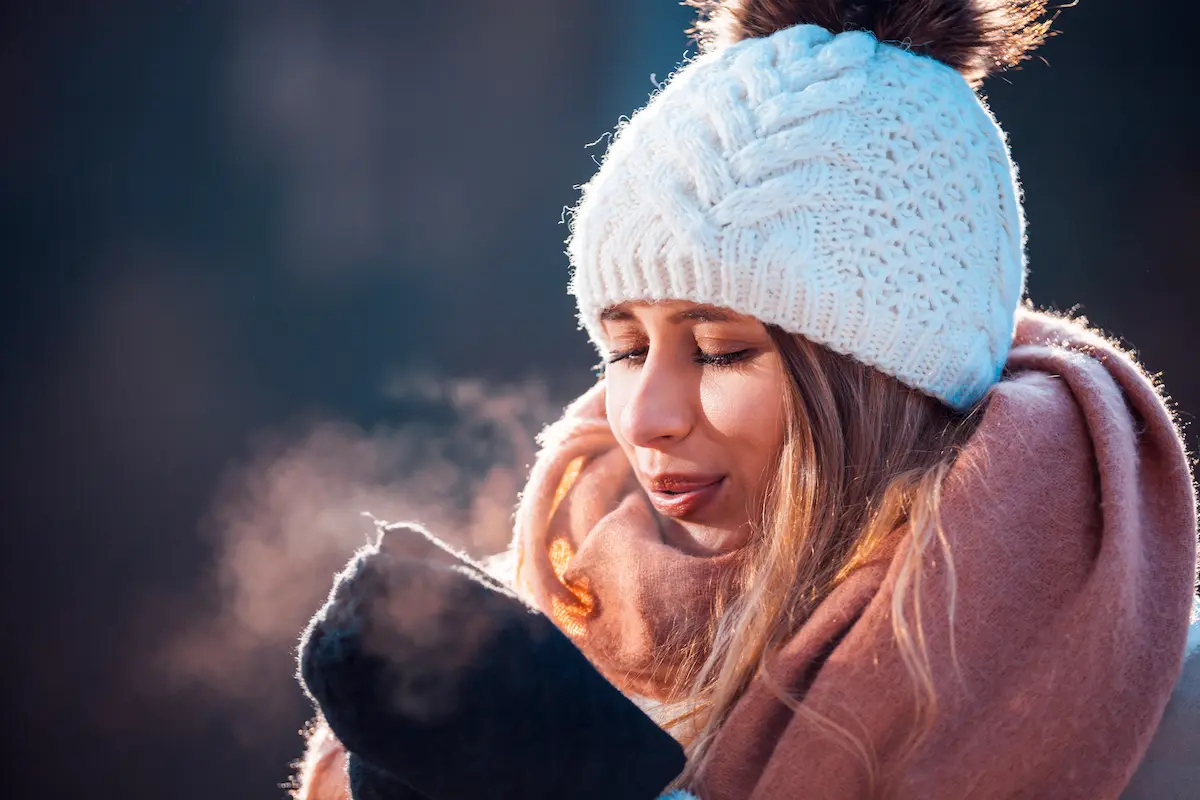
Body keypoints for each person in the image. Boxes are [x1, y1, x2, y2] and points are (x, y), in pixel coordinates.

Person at [292, 0, 1200, 797]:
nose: (644, 417)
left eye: (722, 351)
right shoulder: (548, 639)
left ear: (887, 380)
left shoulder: (1150, 708)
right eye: (625, 347)